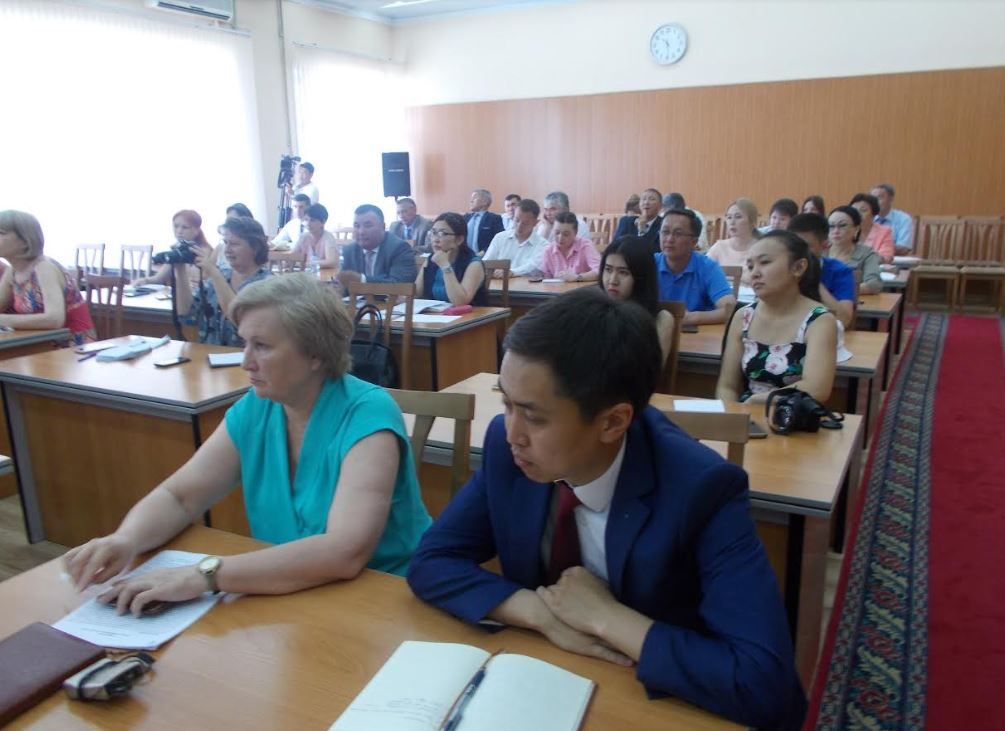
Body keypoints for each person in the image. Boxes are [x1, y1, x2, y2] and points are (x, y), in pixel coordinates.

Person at [406, 287, 806, 730]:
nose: (511, 433)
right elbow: (432, 560)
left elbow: (764, 684)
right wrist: (540, 613)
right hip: (544, 683)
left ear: (613, 422)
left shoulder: (701, 488)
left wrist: (607, 619)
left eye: (533, 416)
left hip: (660, 705)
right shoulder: (511, 452)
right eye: (506, 404)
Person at [63, 274, 432, 615]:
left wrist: (204, 575)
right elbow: (180, 497)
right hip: (292, 593)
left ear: (316, 354)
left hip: (382, 599)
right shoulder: (257, 408)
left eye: (262, 346)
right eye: (245, 343)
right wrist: (126, 539)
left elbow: (343, 552)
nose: (246, 362)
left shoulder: (368, 413)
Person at [716, 231, 838, 405]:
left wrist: (757, 402)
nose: (754, 273)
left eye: (765, 262)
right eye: (750, 266)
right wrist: (732, 414)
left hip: (792, 415)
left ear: (798, 268)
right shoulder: (743, 316)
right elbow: (727, 386)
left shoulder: (819, 320)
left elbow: (816, 388)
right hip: (746, 414)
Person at [0, 210, 96, 345]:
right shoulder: (13, 271)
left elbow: (55, 319)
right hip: (43, 343)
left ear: (25, 241)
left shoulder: (44, 268)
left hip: (73, 347)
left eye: (1, 233)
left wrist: (3, 320)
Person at [174, 215, 272, 346]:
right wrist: (180, 270)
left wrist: (213, 271)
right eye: (225, 243)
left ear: (255, 248)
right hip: (208, 354)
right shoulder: (222, 274)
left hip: (245, 357)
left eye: (235, 244)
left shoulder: (267, 283)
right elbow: (186, 313)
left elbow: (239, 320)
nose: (227, 250)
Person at [599, 236, 674, 365]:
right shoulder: (592, 310)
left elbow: (651, 372)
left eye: (623, 272)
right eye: (608, 270)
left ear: (641, 277)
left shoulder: (661, 319)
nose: (612, 280)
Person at [655, 208, 735, 326]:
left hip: (696, 332)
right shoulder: (650, 263)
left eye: (678, 233)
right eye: (665, 232)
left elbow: (729, 309)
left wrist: (693, 318)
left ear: (694, 242)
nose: (669, 239)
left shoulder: (708, 267)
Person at [789, 212, 856, 328]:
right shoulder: (782, 268)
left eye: (805, 246)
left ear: (824, 245)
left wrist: (812, 280)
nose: (797, 252)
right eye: (793, 245)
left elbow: (844, 319)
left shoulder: (840, 272)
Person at [416, 212, 488, 306]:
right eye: (434, 233)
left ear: (459, 240)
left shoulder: (474, 264)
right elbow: (417, 293)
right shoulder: (431, 259)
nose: (435, 239)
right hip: (436, 313)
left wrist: (445, 266)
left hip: (470, 314)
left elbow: (460, 302)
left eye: (443, 233)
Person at [338, 204, 418, 287]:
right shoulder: (349, 250)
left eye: (368, 226)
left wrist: (362, 280)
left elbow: (400, 285)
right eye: (357, 226)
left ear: (383, 227)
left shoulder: (399, 249)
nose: (361, 232)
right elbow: (344, 285)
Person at [133, 210, 215, 287]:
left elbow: (203, 281)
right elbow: (158, 278)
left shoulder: (204, 252)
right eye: (176, 226)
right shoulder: (178, 251)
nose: (179, 231)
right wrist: (145, 280)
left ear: (196, 230)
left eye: (185, 227)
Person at [482, 198, 548, 277]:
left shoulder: (543, 245)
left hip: (524, 284)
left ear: (535, 223)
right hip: (496, 282)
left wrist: (512, 272)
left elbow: (533, 267)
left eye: (525, 223)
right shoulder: (500, 237)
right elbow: (486, 263)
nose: (519, 226)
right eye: (517, 220)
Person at [827, 206, 883, 294]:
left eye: (842, 225)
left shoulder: (866, 253)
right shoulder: (819, 252)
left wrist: (839, 290)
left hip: (851, 301)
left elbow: (874, 284)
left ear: (856, 229)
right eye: (831, 226)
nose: (836, 231)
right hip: (821, 302)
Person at [707, 197, 759, 284]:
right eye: (729, 217)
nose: (732, 222)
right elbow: (703, 272)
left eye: (738, 217)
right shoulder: (719, 247)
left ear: (752, 221)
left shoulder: (761, 248)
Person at [539, 212, 600, 282]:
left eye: (566, 234)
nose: (560, 238)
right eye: (557, 233)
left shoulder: (585, 246)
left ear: (575, 232)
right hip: (556, 288)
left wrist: (577, 277)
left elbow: (600, 271)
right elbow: (545, 277)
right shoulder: (549, 250)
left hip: (582, 288)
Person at [611, 188, 663, 252]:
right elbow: (614, 247)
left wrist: (642, 231)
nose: (646, 202)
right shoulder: (626, 221)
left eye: (652, 199)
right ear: (639, 204)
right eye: (643, 199)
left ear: (660, 206)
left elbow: (653, 251)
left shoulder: (663, 225)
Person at [850, 193, 894, 263]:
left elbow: (886, 258)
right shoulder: (846, 230)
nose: (857, 214)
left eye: (863, 210)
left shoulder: (884, 231)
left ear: (873, 214)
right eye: (854, 210)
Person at [871, 183, 914, 255]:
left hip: (893, 260)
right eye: (872, 198)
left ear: (891, 199)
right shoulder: (866, 218)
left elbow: (903, 248)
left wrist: (873, 247)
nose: (875, 202)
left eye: (879, 197)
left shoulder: (904, 219)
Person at [294, 203, 340, 269]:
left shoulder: (328, 238)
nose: (308, 224)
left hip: (326, 274)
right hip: (307, 273)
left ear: (323, 222)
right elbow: (291, 257)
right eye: (306, 219)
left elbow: (331, 262)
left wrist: (308, 264)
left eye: (312, 220)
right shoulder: (303, 237)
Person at [464, 188, 505, 254]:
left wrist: (484, 252)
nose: (471, 201)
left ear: (485, 202)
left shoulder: (494, 218)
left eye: (474, 198)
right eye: (471, 198)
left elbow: (499, 240)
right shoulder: (465, 218)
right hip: (465, 256)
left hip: (484, 256)